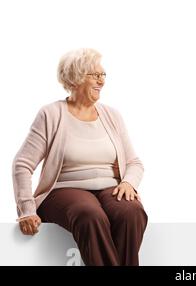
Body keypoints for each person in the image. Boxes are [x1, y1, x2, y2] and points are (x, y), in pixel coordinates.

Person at [12, 48, 148, 266]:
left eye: (103, 75)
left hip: (108, 188)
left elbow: (134, 162)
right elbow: (22, 165)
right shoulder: (51, 114)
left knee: (131, 212)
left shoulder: (112, 115)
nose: (102, 81)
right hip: (63, 190)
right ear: (75, 78)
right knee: (89, 214)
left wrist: (129, 182)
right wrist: (26, 210)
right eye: (95, 75)